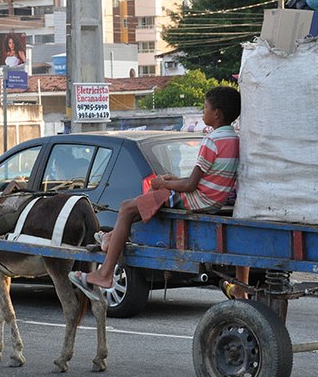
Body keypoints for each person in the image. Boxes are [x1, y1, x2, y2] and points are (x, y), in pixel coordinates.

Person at [69, 85, 249, 300]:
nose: (203, 113)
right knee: (140, 206)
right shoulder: (233, 137)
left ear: (216, 113)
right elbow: (205, 178)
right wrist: (172, 181)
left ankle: (105, 273)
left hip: (198, 199)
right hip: (212, 198)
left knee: (127, 208)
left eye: (205, 108)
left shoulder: (211, 140)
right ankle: (109, 238)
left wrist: (162, 184)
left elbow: (191, 185)